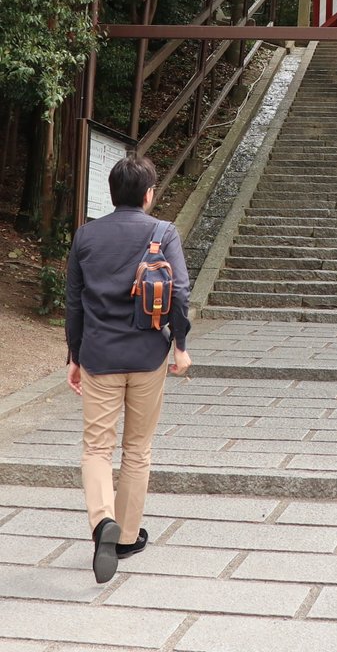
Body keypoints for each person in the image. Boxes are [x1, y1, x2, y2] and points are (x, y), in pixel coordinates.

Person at [66, 154, 191, 584]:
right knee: (137, 449)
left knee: (97, 447)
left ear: (112, 192)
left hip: (100, 356)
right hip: (148, 356)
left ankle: (102, 521)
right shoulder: (163, 231)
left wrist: (73, 355)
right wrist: (182, 345)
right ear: (149, 193)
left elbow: (74, 302)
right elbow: (179, 291)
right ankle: (127, 536)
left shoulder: (86, 236)